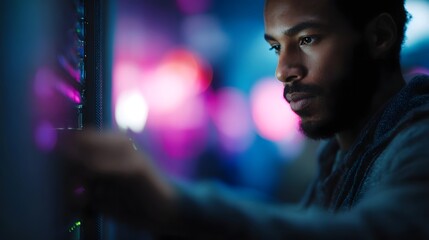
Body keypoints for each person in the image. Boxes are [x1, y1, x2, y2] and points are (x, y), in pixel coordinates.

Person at [58, 0, 429, 238]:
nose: (284, 70)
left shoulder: (419, 139)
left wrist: (173, 207)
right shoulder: (339, 154)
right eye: (276, 47)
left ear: (379, 37)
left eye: (308, 40)